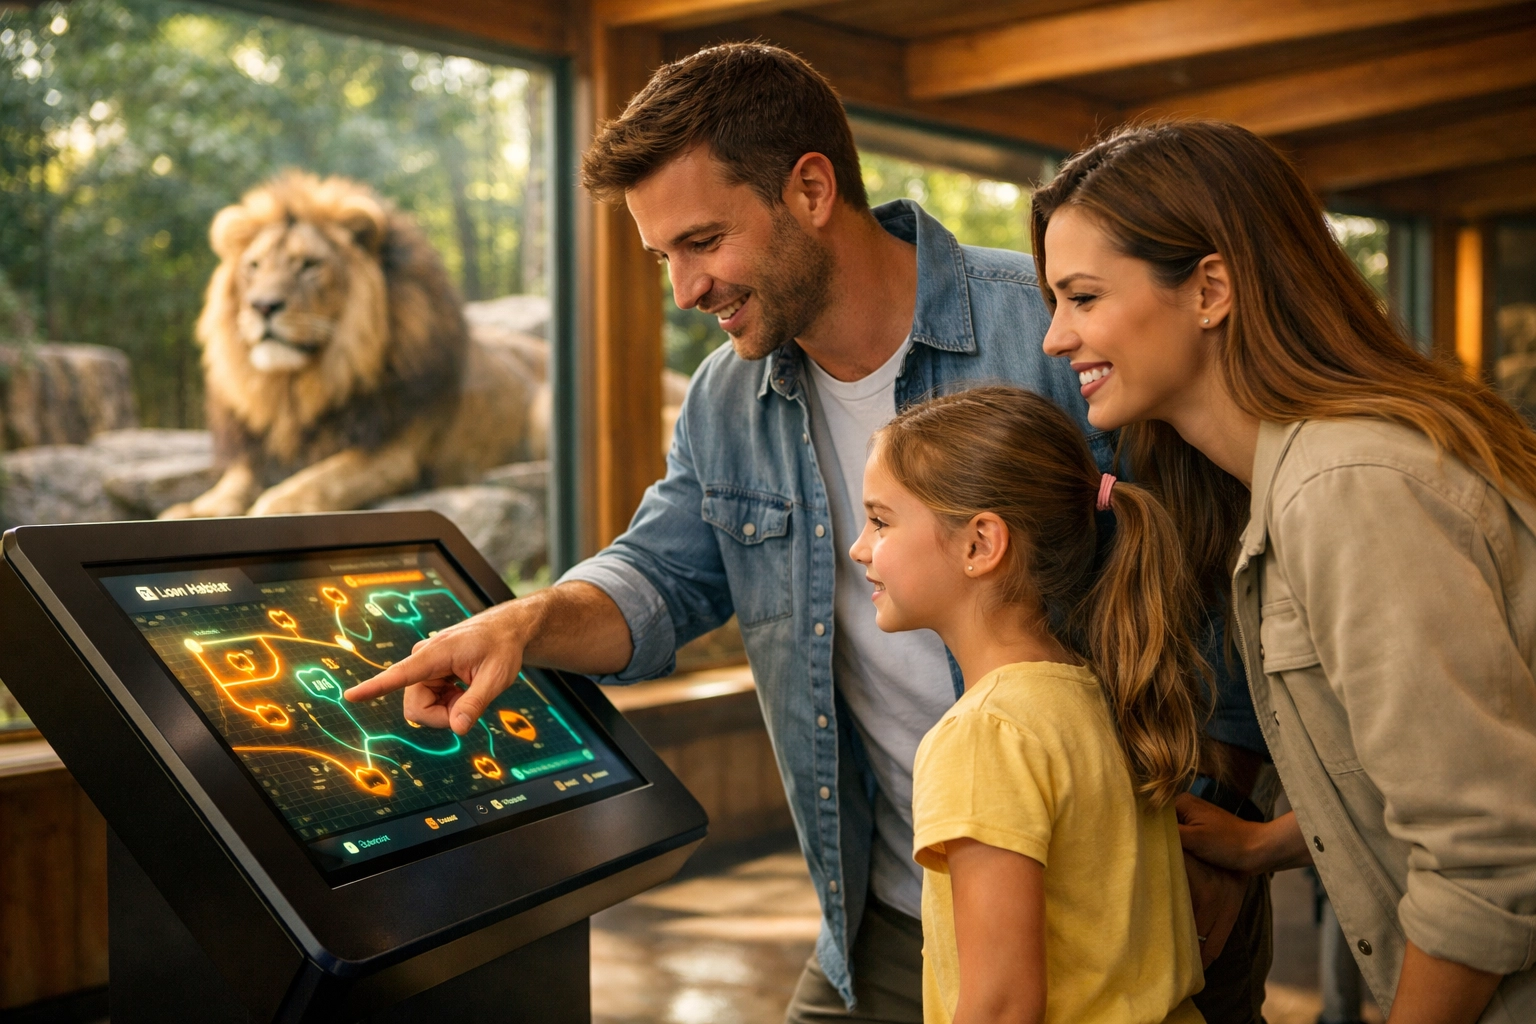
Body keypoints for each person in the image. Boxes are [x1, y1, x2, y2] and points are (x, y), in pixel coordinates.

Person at [344, 45, 1264, 1022]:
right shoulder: (725, 399)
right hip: (888, 910)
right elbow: (657, 575)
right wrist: (521, 626)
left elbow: (1213, 582)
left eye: (703, 241)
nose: (684, 290)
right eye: (663, 258)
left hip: (1114, 909)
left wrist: (1226, 848)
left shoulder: (1051, 327)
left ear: (813, 188)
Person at [1034, 119, 1536, 1022]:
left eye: (1082, 297)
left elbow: (1486, 854)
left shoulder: (1347, 490)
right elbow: (1457, 762)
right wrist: (1272, 843)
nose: (1053, 339)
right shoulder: (1291, 481)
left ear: (1211, 290)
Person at [848, 386, 1207, 1024]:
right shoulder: (1093, 692)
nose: (859, 547)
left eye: (880, 520)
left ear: (980, 544)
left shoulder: (984, 736)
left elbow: (1003, 1005)